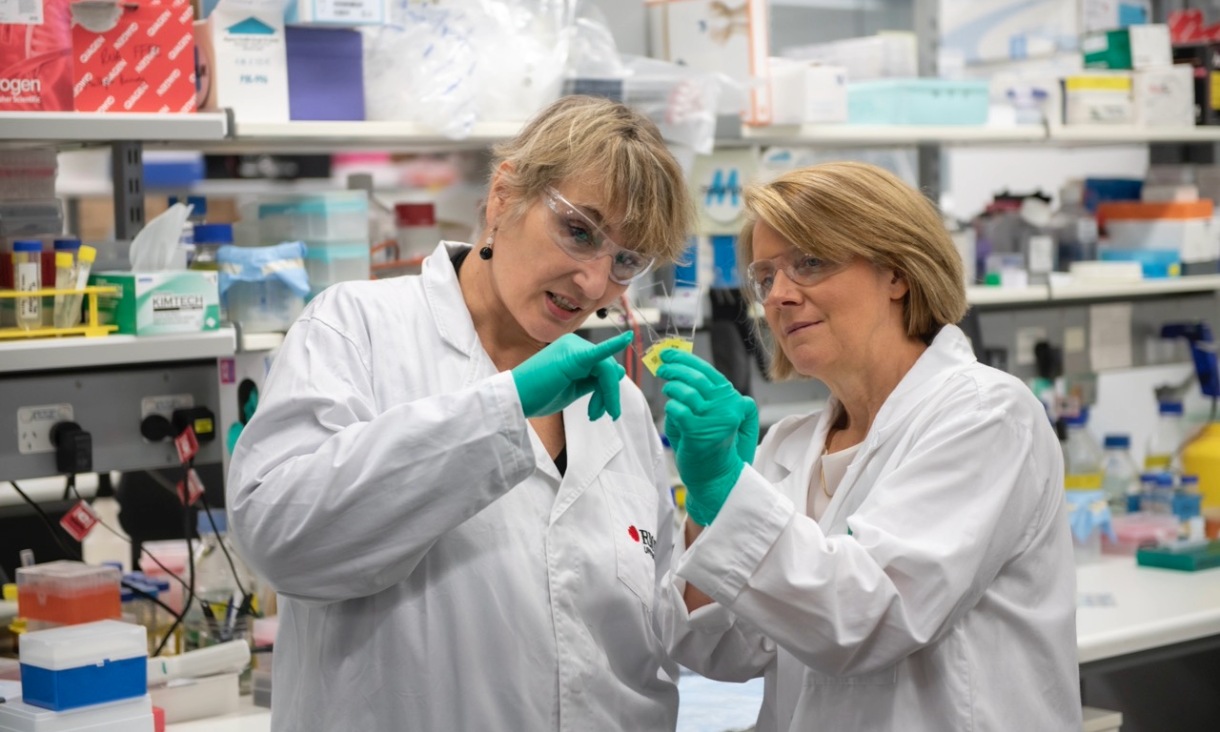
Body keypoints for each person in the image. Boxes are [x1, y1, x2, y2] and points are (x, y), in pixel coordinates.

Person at [226, 95, 697, 730]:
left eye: (626, 261)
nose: (593, 283)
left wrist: (717, 505)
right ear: (504, 196)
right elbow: (281, 540)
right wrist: (505, 408)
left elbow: (650, 637)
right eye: (579, 231)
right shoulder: (357, 328)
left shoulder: (620, 407)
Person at [660, 162, 1081, 730]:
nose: (778, 295)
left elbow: (867, 619)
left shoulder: (986, 415)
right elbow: (721, 651)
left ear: (897, 273)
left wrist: (729, 492)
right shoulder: (789, 445)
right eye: (765, 277)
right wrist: (707, 508)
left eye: (809, 263)